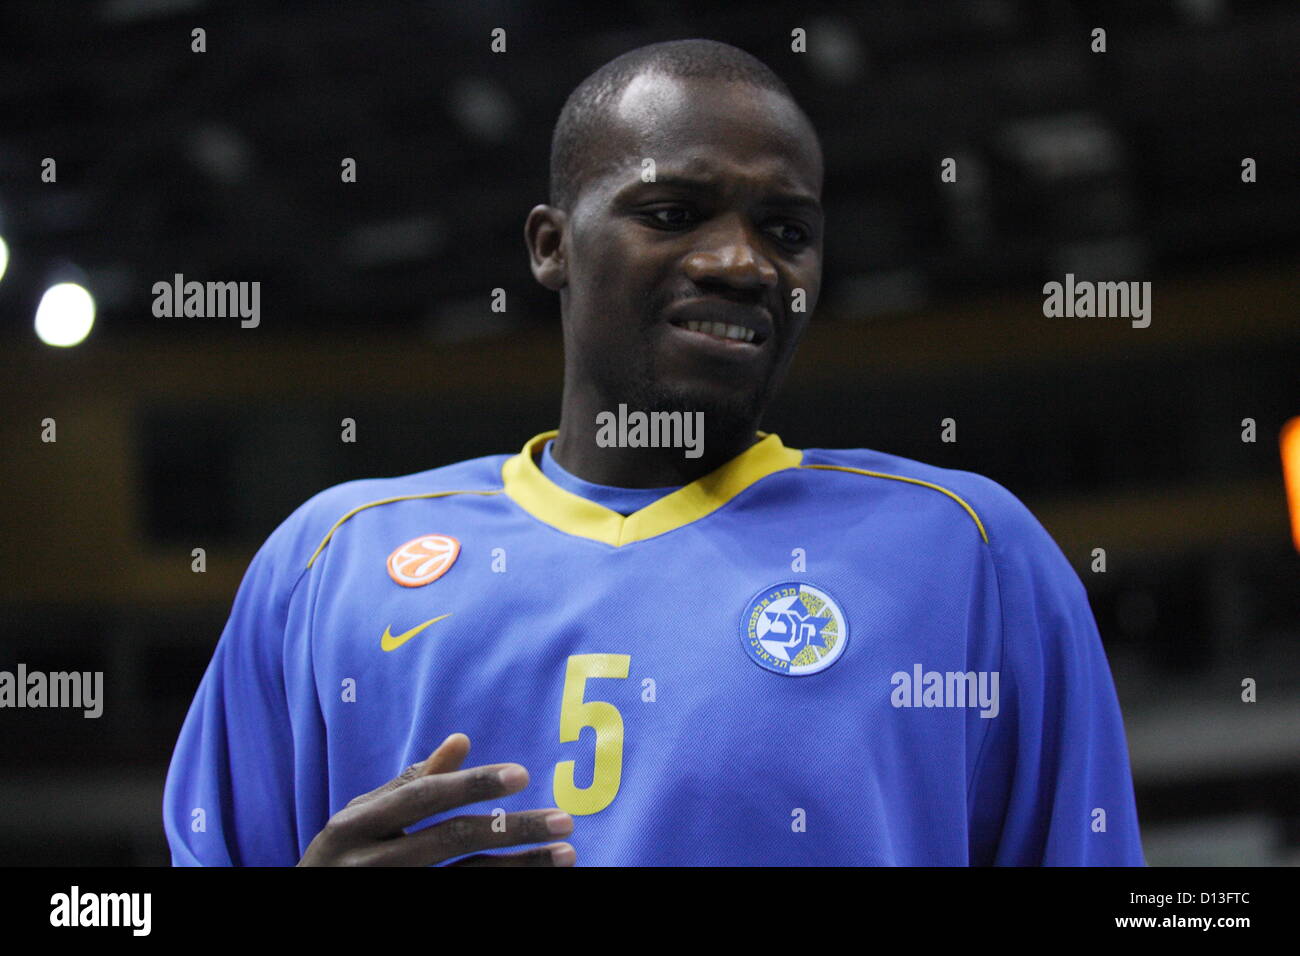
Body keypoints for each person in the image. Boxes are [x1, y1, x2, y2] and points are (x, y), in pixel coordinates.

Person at [164, 38, 1145, 866]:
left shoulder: (970, 553)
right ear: (551, 245)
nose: (740, 262)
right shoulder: (332, 561)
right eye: (673, 213)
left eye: (786, 230)